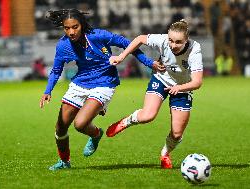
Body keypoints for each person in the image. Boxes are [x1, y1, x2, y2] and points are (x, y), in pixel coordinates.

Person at [39, 9, 164, 171]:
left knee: (80, 124)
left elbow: (129, 45)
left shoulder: (98, 35)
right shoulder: (63, 45)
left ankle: (96, 134)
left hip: (104, 83)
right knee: (60, 127)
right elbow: (56, 70)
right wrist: (48, 91)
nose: (71, 32)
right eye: (67, 28)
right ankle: (64, 162)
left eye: (75, 27)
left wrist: (149, 63)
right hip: (80, 83)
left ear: (82, 25)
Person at [106, 19, 203, 169]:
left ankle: (165, 153)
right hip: (161, 79)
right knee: (147, 116)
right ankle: (126, 121)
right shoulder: (162, 40)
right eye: (170, 40)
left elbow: (197, 82)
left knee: (177, 134)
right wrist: (121, 57)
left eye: (178, 42)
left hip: (183, 87)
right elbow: (139, 39)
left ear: (186, 40)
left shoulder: (194, 50)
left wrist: (180, 88)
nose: (173, 45)